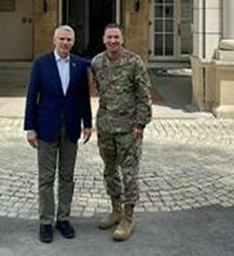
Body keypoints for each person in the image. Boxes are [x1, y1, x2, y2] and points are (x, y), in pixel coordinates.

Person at [24, 25, 92, 243]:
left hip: (71, 128)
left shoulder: (80, 65)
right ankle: (46, 222)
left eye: (69, 40)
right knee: (46, 178)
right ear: (54, 41)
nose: (65, 43)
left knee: (67, 177)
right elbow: (32, 96)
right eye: (62, 39)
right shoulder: (41, 64)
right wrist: (30, 128)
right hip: (46, 128)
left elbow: (83, 98)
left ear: (73, 42)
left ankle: (63, 218)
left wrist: (88, 124)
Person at [91, 23, 152, 241]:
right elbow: (100, 89)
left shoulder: (134, 62)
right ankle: (115, 209)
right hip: (106, 127)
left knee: (129, 174)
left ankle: (128, 217)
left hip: (128, 129)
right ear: (103, 39)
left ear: (122, 39)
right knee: (109, 171)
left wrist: (139, 124)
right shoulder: (97, 63)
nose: (113, 41)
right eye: (109, 37)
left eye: (116, 37)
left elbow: (144, 96)